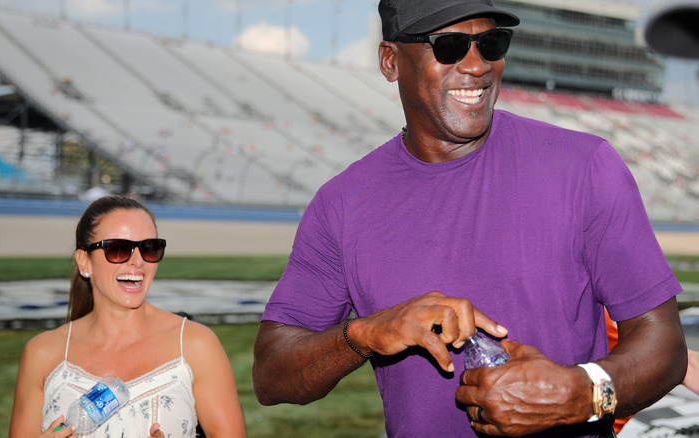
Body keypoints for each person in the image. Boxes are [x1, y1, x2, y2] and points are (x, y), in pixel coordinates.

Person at [251, 0, 687, 437]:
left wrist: (580, 394)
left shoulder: (585, 166)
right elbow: (271, 376)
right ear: (390, 60)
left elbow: (664, 346)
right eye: (450, 46)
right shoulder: (341, 204)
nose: (477, 65)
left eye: (492, 43)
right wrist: (364, 334)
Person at [9, 196, 246, 438]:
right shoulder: (42, 353)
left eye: (149, 248)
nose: (138, 261)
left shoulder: (196, 345)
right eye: (118, 248)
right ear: (84, 262)